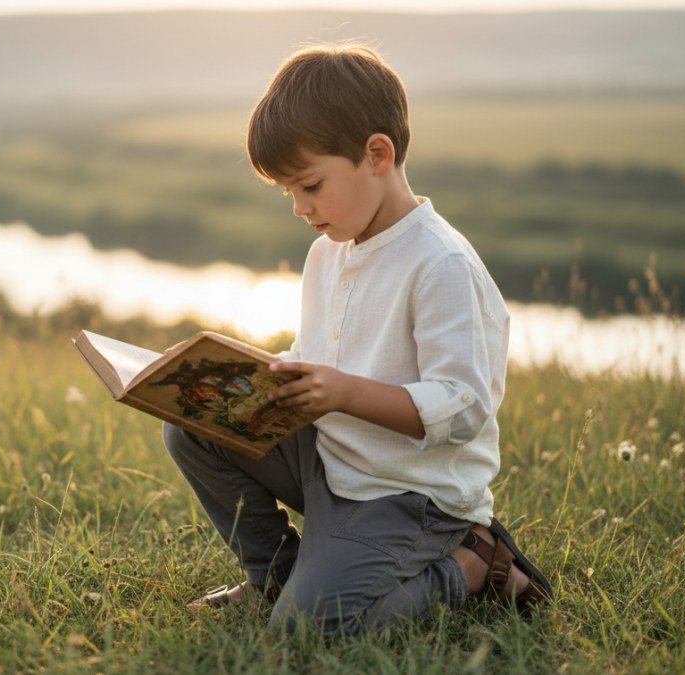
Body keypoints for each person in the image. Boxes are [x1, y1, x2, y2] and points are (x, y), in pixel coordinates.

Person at [162, 43, 551, 635]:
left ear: (377, 154)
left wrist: (341, 393)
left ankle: (473, 566)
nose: (299, 207)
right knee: (192, 421)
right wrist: (228, 376)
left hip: (407, 494)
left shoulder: (440, 264)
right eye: (289, 192)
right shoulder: (329, 251)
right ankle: (275, 577)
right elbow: (320, 360)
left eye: (311, 186)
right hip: (331, 462)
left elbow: (463, 407)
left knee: (310, 632)